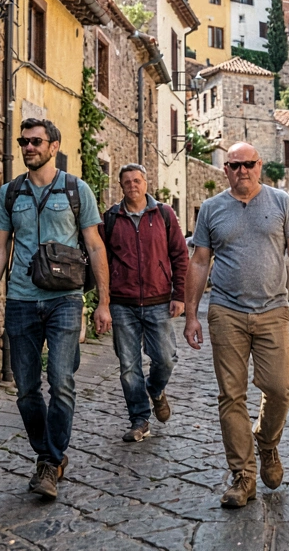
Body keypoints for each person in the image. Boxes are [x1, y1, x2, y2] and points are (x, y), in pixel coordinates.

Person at [0, 119, 109, 500]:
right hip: (20, 300)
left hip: (65, 299)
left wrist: (103, 302)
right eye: (24, 141)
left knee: (62, 381)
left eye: (36, 141)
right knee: (26, 389)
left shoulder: (76, 190)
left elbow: (96, 246)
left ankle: (49, 461)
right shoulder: (9, 194)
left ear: (54, 146)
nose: (28, 147)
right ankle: (47, 454)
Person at [183, 142, 289, 508]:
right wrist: (191, 313)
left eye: (249, 164)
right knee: (231, 394)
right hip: (225, 311)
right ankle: (243, 476)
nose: (243, 171)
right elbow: (199, 261)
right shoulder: (211, 209)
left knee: (280, 387)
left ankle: (267, 442)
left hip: (273, 309)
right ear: (225, 169)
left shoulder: (279, 202)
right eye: (235, 165)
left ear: (260, 166)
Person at [98, 164, 189, 443]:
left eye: (137, 180)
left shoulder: (164, 214)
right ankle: (139, 419)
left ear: (146, 183)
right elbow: (100, 260)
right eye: (127, 182)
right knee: (128, 366)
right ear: (121, 185)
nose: (132, 186)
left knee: (165, 358)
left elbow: (180, 255)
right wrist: (103, 300)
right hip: (122, 303)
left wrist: (179, 295)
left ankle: (156, 389)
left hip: (159, 300)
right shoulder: (111, 218)